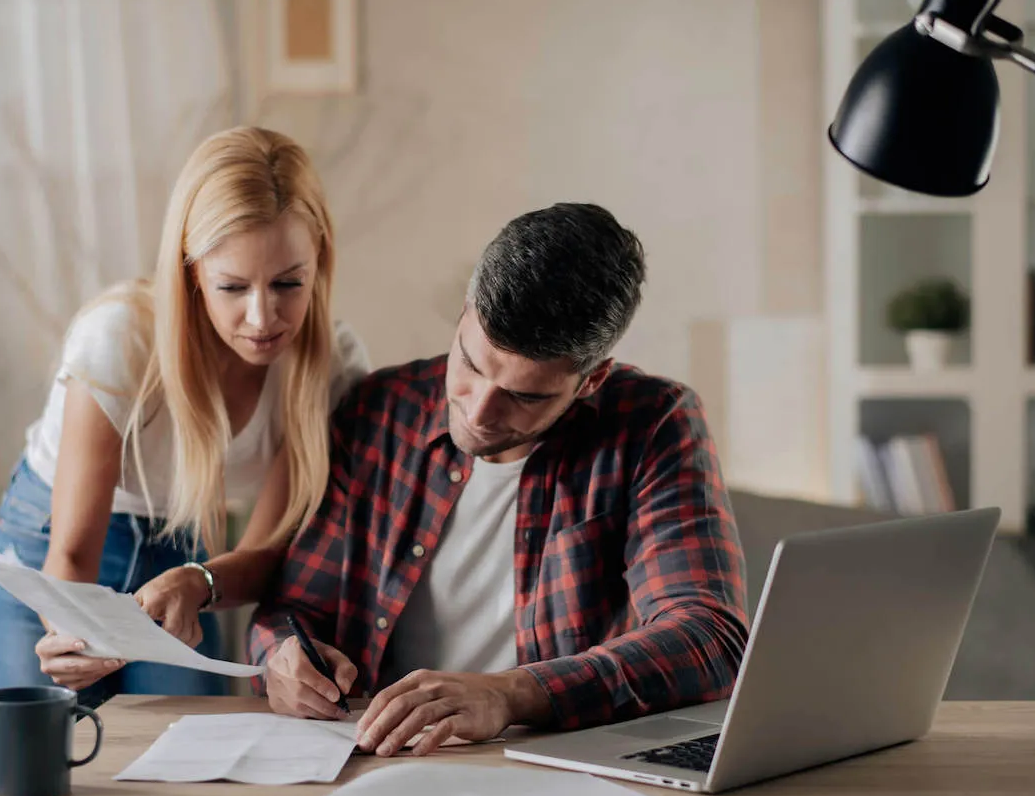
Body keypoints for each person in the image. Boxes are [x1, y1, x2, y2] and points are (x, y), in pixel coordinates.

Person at [244, 201, 750, 755]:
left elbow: (710, 639)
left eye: (524, 395)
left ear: (591, 379)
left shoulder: (654, 423)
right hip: (371, 757)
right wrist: (284, 657)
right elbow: (293, 609)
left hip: (558, 770)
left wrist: (510, 694)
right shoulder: (377, 412)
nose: (479, 412)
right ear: (465, 314)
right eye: (470, 364)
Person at [0, 126, 370, 701]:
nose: (263, 318)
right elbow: (73, 549)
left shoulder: (329, 367)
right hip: (53, 543)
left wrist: (200, 580)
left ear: (321, 263)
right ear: (191, 274)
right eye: (232, 286)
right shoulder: (117, 340)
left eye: (289, 283)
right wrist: (67, 629)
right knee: (41, 749)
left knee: (175, 755)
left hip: (180, 550)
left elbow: (265, 555)